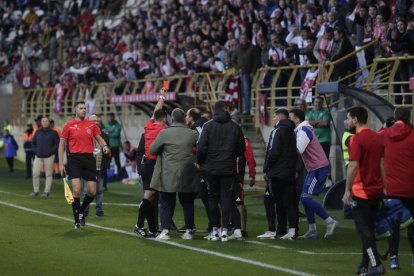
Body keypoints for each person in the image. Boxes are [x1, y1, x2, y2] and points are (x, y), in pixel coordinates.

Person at [342, 107, 386, 275]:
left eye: (348, 118)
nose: (346, 121)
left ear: (355, 120)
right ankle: (363, 266)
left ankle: (376, 265)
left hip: (361, 191)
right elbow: (382, 164)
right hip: (376, 189)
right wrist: (384, 185)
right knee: (368, 229)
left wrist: (347, 190)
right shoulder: (377, 137)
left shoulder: (356, 139)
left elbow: (353, 165)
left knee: (364, 230)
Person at [196, 101, 245, 242]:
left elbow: (201, 148)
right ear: (226, 109)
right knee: (226, 198)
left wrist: (200, 162)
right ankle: (224, 231)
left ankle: (215, 230)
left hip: (211, 169)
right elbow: (241, 150)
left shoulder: (208, 125)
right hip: (228, 168)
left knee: (212, 198)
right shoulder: (235, 126)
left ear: (214, 110)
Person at [58, 101, 110, 229]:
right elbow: (62, 145)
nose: (83, 110)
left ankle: (81, 210)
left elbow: (99, 138)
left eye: (85, 108)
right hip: (74, 159)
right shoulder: (68, 125)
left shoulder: (91, 125)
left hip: (89, 159)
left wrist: (104, 146)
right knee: (76, 189)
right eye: (81, 108)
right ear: (75, 110)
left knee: (92, 192)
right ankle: (77, 220)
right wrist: (60, 163)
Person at [149, 108, 199, 240]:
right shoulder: (192, 133)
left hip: (168, 173)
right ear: (184, 119)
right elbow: (202, 147)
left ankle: (165, 231)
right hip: (187, 173)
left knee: (166, 201)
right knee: (187, 202)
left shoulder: (165, 133)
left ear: (172, 119)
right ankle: (189, 231)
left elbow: (152, 150)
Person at [288, 108, 338, 239]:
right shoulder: (302, 130)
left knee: (305, 198)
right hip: (315, 168)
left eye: (290, 117)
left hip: (318, 168)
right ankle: (312, 229)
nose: (288, 120)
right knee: (305, 199)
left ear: (297, 119)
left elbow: (298, 149)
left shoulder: (303, 130)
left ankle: (330, 221)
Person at [381, 107, 414, 268]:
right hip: (411, 186)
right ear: (410, 117)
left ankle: (394, 258)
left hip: (391, 187)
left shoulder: (385, 134)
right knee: (413, 224)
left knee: (393, 223)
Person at [134, 88, 168, 237]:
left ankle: (151, 229)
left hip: (148, 164)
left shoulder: (149, 126)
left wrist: (162, 95)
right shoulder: (162, 131)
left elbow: (156, 110)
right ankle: (139, 225)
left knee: (151, 196)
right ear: (164, 119)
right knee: (149, 196)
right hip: (153, 165)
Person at [263, 108, 298, 240]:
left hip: (276, 173)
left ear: (279, 117)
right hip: (288, 172)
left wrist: (266, 168)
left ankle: (272, 230)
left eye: (274, 116)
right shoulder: (292, 131)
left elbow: (273, 151)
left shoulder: (277, 131)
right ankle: (291, 230)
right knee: (289, 202)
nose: (273, 119)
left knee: (270, 201)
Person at [82, 114, 111, 217]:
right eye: (94, 121)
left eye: (97, 120)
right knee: (86, 190)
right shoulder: (84, 134)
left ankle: (99, 210)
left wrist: (106, 166)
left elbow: (108, 152)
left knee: (99, 190)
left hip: (100, 167)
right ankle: (84, 210)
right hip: (88, 167)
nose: (96, 122)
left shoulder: (104, 135)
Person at [231, 33, 261, 115]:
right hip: (243, 74)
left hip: (252, 73)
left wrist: (253, 71)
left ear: (247, 39)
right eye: (242, 39)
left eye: (244, 38)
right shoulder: (237, 49)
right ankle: (247, 110)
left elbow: (256, 61)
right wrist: (238, 68)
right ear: (240, 40)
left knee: (252, 91)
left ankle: (251, 109)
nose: (243, 40)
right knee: (245, 92)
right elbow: (233, 60)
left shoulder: (252, 48)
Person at [306, 96, 332, 187]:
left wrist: (314, 123)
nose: (317, 104)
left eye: (319, 102)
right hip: (314, 140)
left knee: (325, 159)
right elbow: (308, 122)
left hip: (324, 139)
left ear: (322, 103)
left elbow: (325, 123)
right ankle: (319, 179)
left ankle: (328, 179)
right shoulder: (311, 112)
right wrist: (319, 122)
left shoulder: (325, 112)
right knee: (315, 160)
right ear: (314, 103)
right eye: (316, 102)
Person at [31, 117, 60, 197]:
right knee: (35, 174)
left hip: (49, 157)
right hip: (38, 156)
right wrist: (35, 151)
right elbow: (33, 143)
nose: (44, 122)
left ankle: (46, 192)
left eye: (46, 121)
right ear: (41, 122)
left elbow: (57, 143)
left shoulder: (53, 133)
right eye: (43, 121)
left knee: (49, 174)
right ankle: (35, 190)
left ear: (49, 122)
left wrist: (51, 151)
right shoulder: (37, 132)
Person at [104, 112, 122, 179]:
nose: (110, 118)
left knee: (117, 161)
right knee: (108, 161)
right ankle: (107, 176)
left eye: (112, 116)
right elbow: (105, 135)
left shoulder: (117, 125)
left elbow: (116, 134)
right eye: (109, 116)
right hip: (108, 146)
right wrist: (111, 132)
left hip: (115, 145)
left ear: (114, 117)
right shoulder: (106, 125)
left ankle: (120, 176)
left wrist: (109, 133)